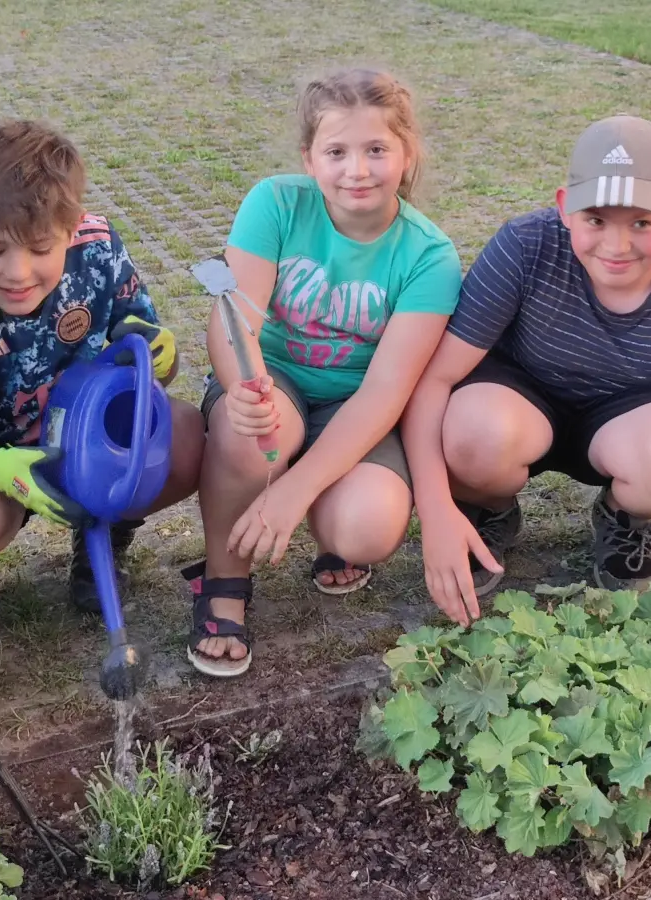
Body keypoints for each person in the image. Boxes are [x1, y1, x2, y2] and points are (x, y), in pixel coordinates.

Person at [404, 115, 651, 626]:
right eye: (595, 219)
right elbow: (435, 379)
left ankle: (624, 516)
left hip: (625, 418)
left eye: (642, 222)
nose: (616, 246)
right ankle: (488, 506)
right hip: (518, 401)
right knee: (469, 430)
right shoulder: (525, 246)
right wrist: (437, 513)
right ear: (563, 207)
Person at [188, 68, 463, 677]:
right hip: (276, 377)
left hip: (357, 404)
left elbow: (387, 391)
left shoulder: (430, 256)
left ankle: (323, 518)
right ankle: (223, 583)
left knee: (366, 528)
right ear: (310, 159)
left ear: (407, 154)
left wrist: (294, 489)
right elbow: (235, 318)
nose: (356, 171)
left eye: (376, 150)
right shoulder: (276, 203)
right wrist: (243, 386)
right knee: (249, 437)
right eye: (336, 152)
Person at [0, 120, 204, 610]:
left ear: (71, 228)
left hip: (86, 440)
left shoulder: (99, 248)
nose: (18, 273)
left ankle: (104, 536)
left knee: (187, 434)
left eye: (41, 248)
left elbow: (144, 361)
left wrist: (160, 356)